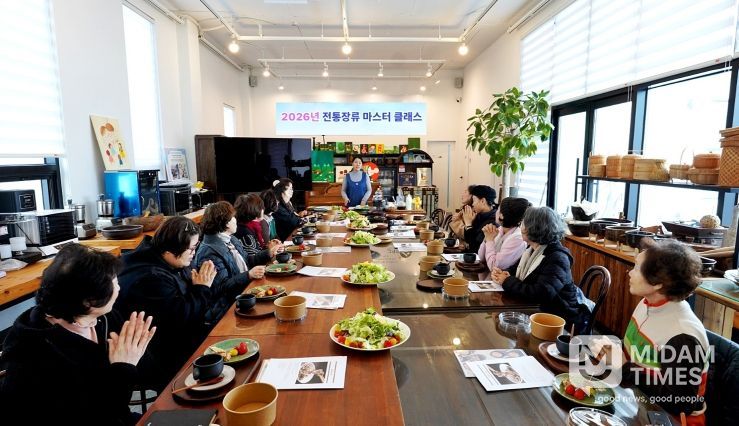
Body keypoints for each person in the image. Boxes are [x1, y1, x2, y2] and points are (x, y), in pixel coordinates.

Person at [0, 244, 156, 425]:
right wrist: (123, 368)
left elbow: (146, 373)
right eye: (114, 283)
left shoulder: (102, 317)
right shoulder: (34, 355)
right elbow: (96, 414)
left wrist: (136, 350)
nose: (119, 288)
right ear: (88, 301)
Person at [594, 239, 709, 424]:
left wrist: (624, 367)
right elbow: (637, 353)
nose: (630, 272)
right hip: (639, 405)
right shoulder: (647, 303)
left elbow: (680, 402)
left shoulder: (682, 335)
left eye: (636, 268)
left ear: (658, 283)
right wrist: (610, 352)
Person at [115, 216, 216, 390]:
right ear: (170, 250)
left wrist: (199, 285)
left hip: (171, 337)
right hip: (156, 354)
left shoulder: (164, 258)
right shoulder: (151, 277)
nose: (194, 253)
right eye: (192, 248)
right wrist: (202, 288)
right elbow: (180, 318)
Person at [491, 206, 591, 333]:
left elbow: (542, 294)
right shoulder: (532, 250)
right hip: (536, 311)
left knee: (502, 330)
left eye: (524, 223)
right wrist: (504, 273)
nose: (521, 226)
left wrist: (507, 281)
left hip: (559, 319)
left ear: (534, 228)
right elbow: (515, 270)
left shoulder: (557, 257)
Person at [194, 201, 267, 323]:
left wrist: (268, 253)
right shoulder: (209, 251)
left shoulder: (231, 239)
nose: (236, 220)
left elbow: (247, 260)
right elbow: (221, 287)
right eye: (233, 217)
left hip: (244, 294)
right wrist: (248, 275)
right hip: (227, 307)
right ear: (227, 222)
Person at [478, 197, 531, 270]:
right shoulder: (500, 229)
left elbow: (494, 266)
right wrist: (486, 238)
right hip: (486, 275)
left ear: (501, 215)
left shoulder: (518, 238)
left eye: (498, 209)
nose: (496, 212)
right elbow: (481, 258)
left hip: (500, 277)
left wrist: (490, 240)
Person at [233, 194, 283, 266]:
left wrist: (270, 246)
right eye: (261, 207)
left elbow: (258, 249)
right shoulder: (244, 232)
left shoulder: (252, 226)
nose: (263, 209)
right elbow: (253, 261)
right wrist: (270, 251)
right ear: (254, 210)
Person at [462, 185, 498, 254]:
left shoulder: (492, 221)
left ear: (482, 201)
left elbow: (475, 247)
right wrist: (469, 223)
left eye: (474, 200)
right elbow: (468, 240)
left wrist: (468, 224)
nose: (472, 204)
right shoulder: (479, 215)